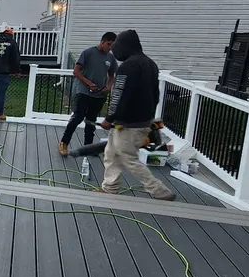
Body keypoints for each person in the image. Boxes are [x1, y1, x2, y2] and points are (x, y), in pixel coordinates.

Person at [99, 29, 176, 200]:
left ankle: (159, 191)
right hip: (141, 120)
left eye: (116, 48)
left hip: (129, 123)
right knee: (111, 153)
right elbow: (155, 95)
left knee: (128, 158)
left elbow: (119, 94)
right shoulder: (150, 64)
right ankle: (109, 187)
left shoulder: (128, 66)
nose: (114, 52)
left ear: (125, 47)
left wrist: (109, 118)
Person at [58, 31, 118, 155]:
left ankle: (88, 147)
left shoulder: (110, 58)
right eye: (108, 44)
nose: (110, 47)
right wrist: (89, 83)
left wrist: (108, 86)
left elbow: (112, 76)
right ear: (102, 41)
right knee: (78, 117)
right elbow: (76, 71)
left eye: (112, 46)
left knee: (91, 121)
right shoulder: (88, 53)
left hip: (99, 94)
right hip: (84, 91)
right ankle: (64, 142)